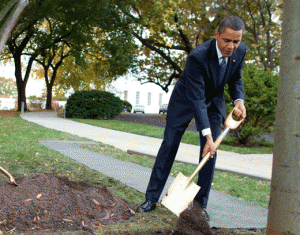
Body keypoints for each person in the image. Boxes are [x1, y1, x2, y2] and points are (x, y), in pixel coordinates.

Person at [136, 16, 247, 221]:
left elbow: (235, 78)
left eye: (236, 41)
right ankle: (151, 198)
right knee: (169, 145)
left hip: (214, 102)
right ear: (216, 36)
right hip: (185, 101)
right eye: (227, 40)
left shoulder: (240, 51)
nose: (232, 46)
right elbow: (197, 98)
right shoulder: (198, 56)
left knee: (210, 153)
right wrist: (206, 135)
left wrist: (239, 100)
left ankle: (199, 206)